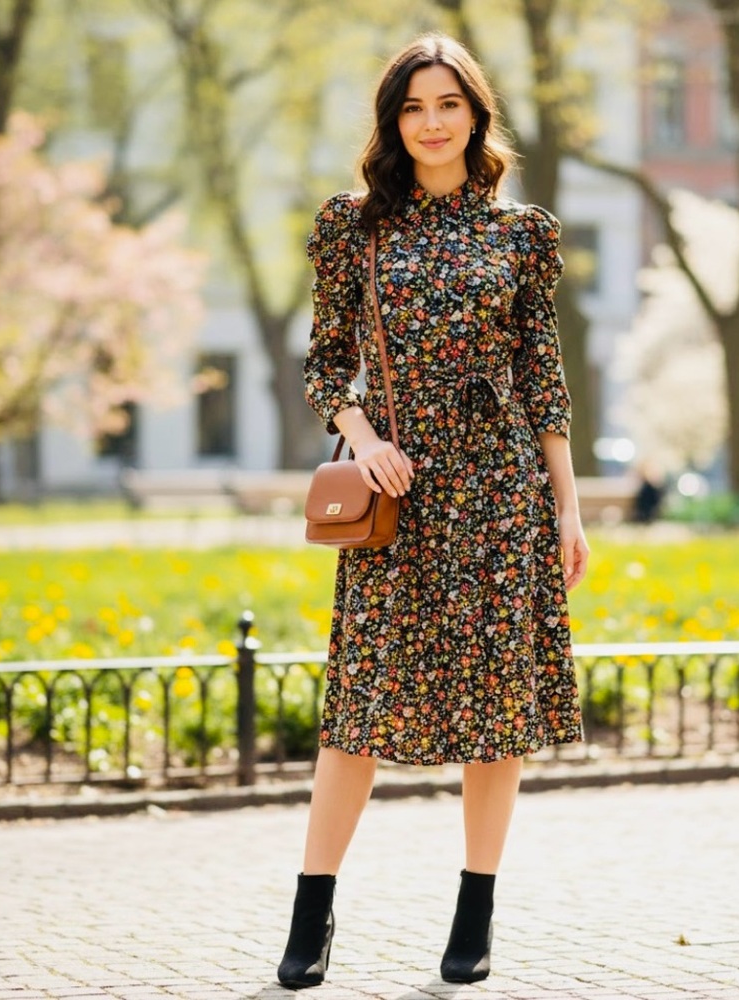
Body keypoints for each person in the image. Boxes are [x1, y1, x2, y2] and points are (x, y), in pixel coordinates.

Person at [278, 31, 590, 990]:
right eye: (413, 106)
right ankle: (311, 916)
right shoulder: (353, 225)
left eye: (448, 103)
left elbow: (543, 377)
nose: (431, 122)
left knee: (496, 715)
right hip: (397, 494)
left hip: (502, 495)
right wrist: (364, 439)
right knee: (358, 714)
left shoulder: (522, 233)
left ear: (476, 113)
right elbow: (325, 363)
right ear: (392, 121)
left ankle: (475, 915)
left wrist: (567, 511)